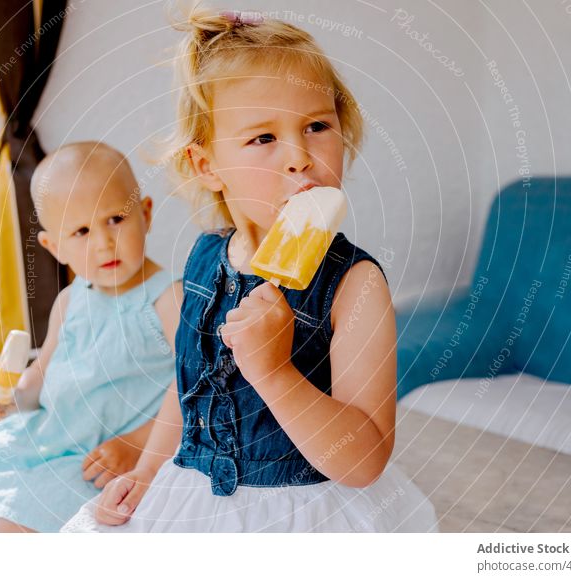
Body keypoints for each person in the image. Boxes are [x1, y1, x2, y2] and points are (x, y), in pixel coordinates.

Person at [62, 6, 437, 533]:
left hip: (304, 511)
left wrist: (274, 371)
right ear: (206, 165)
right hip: (195, 495)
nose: (299, 157)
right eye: (264, 138)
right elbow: (188, 386)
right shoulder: (203, 258)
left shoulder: (356, 285)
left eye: (317, 126)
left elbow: (364, 459)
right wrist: (147, 470)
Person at [0, 142, 182, 532]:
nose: (102, 242)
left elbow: (194, 388)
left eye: (116, 218)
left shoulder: (167, 298)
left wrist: (138, 444)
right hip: (45, 440)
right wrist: (2, 392)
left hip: (98, 459)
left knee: (4, 531)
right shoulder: (69, 303)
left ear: (145, 214)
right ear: (54, 247)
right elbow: (36, 383)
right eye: (81, 231)